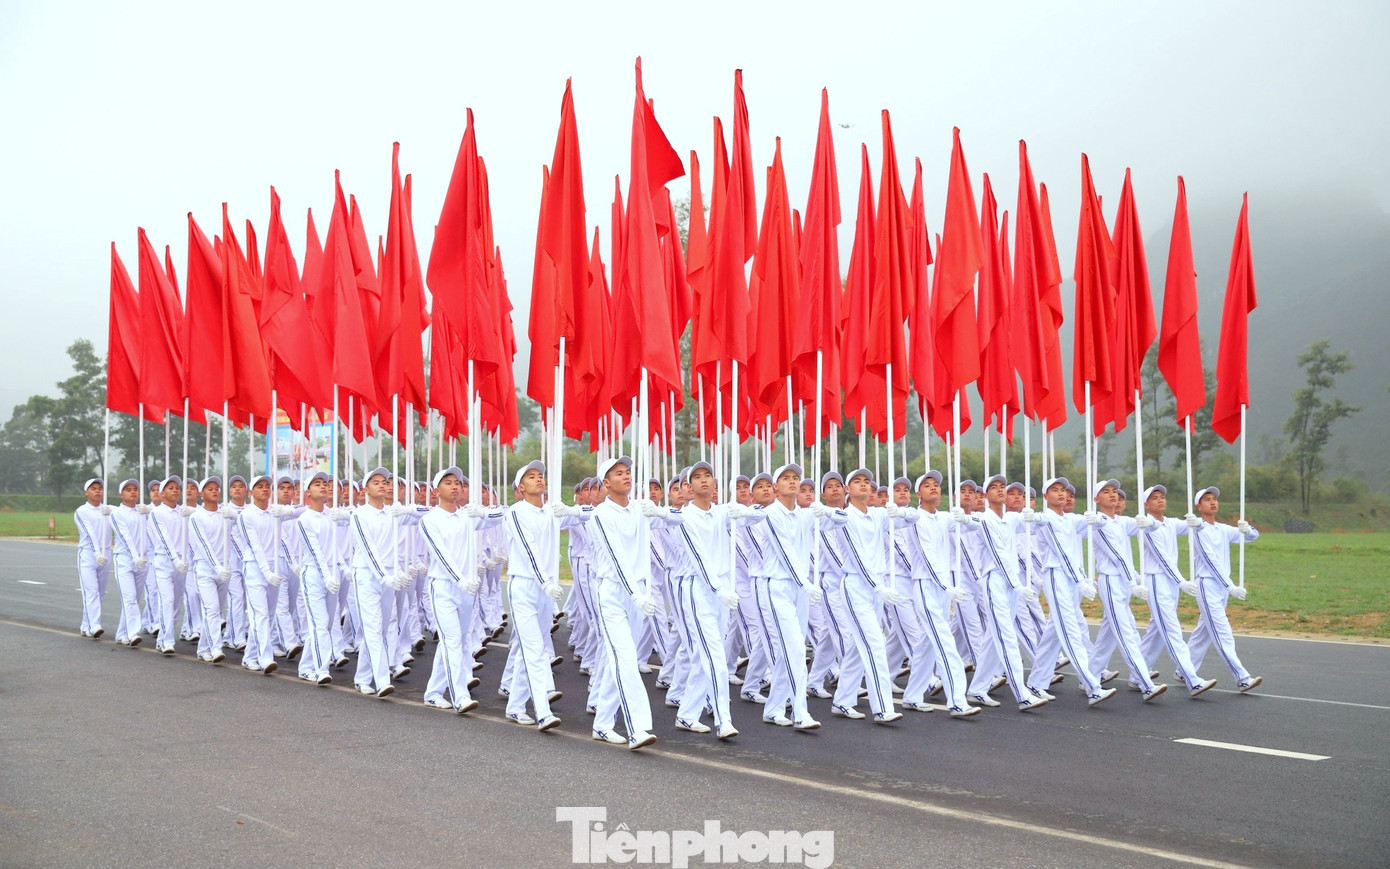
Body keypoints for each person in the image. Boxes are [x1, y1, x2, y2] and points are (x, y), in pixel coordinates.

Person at [659, 461, 752, 738]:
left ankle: (687, 714)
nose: (703, 480)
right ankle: (724, 719)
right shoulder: (684, 517)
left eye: (707, 476)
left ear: (715, 483)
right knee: (714, 654)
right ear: (687, 486)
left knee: (705, 656)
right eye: (696, 477)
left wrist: (745, 510)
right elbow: (698, 557)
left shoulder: (722, 513)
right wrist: (717, 588)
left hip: (720, 591)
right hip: (697, 589)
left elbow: (758, 515)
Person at [498, 460, 587, 730]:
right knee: (536, 650)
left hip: (545, 590)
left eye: (540, 475)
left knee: (530, 649)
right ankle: (543, 711)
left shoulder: (551, 511)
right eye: (531, 476)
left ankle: (515, 706)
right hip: (525, 585)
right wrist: (546, 580)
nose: (538, 479)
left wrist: (569, 509)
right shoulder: (516, 512)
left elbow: (590, 515)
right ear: (520, 487)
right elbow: (528, 548)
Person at [955, 475, 1050, 712]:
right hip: (995, 581)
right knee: (1006, 637)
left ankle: (977, 689)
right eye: (994, 488)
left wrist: (1034, 516)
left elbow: (1037, 524)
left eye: (1003, 488)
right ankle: (1022, 693)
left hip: (1012, 583)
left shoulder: (1011, 519)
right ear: (985, 496)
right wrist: (962, 518)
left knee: (991, 639)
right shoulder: (983, 519)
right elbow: (987, 543)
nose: (1000, 491)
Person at [587, 456, 660, 749]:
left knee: (615, 660)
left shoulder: (639, 511)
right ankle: (638, 728)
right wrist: (636, 593)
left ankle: (603, 724)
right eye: (619, 473)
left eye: (628, 472)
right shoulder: (601, 516)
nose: (626, 476)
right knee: (627, 659)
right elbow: (617, 557)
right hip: (615, 593)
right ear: (606, 483)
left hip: (637, 594)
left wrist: (659, 512)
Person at [420, 466, 505, 716]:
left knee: (456, 642)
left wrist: (485, 511)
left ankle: (433, 693)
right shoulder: (429, 520)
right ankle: (460, 696)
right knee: (452, 642)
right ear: (437, 490)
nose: (455, 486)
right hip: (444, 587)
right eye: (448, 482)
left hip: (467, 589)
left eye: (458, 482)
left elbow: (505, 515)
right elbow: (441, 555)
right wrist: (459, 580)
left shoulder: (467, 517)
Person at [1022, 478, 1114, 706]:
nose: (1061, 494)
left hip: (1073, 580)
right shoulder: (1045, 519)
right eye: (1055, 490)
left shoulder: (1071, 519)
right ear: (1046, 496)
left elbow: (1096, 524)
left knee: (1054, 632)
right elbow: (1061, 552)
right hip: (1057, 577)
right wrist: (1082, 579)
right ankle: (1092, 686)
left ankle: (1036, 682)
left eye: (1064, 490)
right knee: (1070, 631)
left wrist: (1097, 517)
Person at [896, 471, 980, 717]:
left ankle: (912, 695)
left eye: (937, 485)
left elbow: (974, 527)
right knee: (945, 643)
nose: (933, 488)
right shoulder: (916, 519)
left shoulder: (943, 518)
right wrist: (946, 585)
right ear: (918, 494)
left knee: (925, 645)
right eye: (927, 485)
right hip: (926, 586)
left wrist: (963, 516)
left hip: (943, 589)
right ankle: (957, 700)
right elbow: (927, 556)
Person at [830, 468, 908, 723]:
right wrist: (878, 586)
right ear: (847, 490)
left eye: (867, 482)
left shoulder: (877, 515)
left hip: (875, 589)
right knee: (875, 645)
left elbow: (912, 519)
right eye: (856, 481)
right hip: (856, 587)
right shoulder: (844, 517)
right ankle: (883, 707)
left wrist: (902, 511)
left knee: (856, 646)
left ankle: (842, 700)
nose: (863, 485)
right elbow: (857, 557)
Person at [1084, 480, 1166, 701]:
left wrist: (1148, 521)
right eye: (1106, 492)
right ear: (1096, 499)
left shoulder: (1121, 522)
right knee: (1126, 632)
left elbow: (1153, 526)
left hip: (1124, 583)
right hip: (1111, 581)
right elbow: (1117, 556)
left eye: (1115, 492)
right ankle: (1144, 682)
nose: (1113, 495)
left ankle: (1089, 677)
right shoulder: (1098, 523)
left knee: (1107, 635)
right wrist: (1133, 582)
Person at [1136, 485, 1216, 696]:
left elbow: (1192, 527)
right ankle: (1191, 678)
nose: (1160, 500)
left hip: (1171, 583)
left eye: (1162, 497)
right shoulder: (1147, 526)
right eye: (1154, 498)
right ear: (1146, 504)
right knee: (1171, 630)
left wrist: (1196, 521)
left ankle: (1138, 674)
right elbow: (1162, 559)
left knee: (1156, 630)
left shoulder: (1170, 523)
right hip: (1157, 579)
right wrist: (1181, 581)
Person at [349, 468, 423, 698]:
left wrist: (409, 508)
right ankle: (382, 680)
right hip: (368, 575)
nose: (383, 485)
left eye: (385, 482)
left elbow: (427, 513)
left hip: (389, 576)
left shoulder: (393, 512)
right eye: (376, 482)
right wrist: (384, 576)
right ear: (365, 489)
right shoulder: (360, 515)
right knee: (372, 628)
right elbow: (368, 550)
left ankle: (362, 678)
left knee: (380, 629)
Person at [1186, 487, 1263, 692]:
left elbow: (1251, 538)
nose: (1212, 502)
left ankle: (1184, 669)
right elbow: (1210, 562)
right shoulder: (1198, 530)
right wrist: (1231, 587)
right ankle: (1242, 677)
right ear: (1198, 506)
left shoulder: (1222, 529)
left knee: (1203, 631)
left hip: (1221, 587)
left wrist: (1248, 529)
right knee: (1222, 632)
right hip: (1208, 584)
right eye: (1207, 500)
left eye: (1214, 499)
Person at [295, 471, 342, 686]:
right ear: (307, 492)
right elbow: (315, 551)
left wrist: (343, 567)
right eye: (317, 484)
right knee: (320, 623)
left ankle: (305, 667)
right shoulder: (304, 519)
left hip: (332, 573)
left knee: (326, 623)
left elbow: (335, 547)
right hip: (314, 574)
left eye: (325, 483)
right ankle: (321, 669)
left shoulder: (330, 514)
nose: (323, 486)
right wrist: (326, 575)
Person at [236, 475, 282, 675]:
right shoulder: (246, 515)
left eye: (268, 486)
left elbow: (301, 510)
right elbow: (255, 547)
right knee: (260, 615)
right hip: (255, 568)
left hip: (275, 568)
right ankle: (266, 658)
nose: (265, 489)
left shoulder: (275, 512)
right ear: (251, 492)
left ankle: (249, 656)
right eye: (260, 487)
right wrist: (266, 572)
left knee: (268, 616)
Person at [187, 476, 229, 663]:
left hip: (224, 571)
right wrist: (216, 566)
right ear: (201, 494)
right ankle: (216, 648)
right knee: (211, 610)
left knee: (215, 611)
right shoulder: (197, 516)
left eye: (217, 488)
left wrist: (233, 515)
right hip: (205, 570)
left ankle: (203, 648)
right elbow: (203, 544)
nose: (214, 491)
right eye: (209, 488)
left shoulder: (225, 514)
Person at [148, 476, 192, 654]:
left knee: (176, 603)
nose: (175, 490)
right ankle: (167, 641)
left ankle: (164, 638)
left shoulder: (185, 512)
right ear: (162, 493)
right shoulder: (156, 513)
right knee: (167, 601)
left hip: (183, 562)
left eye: (177, 488)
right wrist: (175, 560)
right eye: (171, 487)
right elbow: (163, 539)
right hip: (165, 562)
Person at [108, 479, 148, 646]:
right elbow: (124, 536)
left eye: (135, 489)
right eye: (128, 490)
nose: (133, 492)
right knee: (129, 598)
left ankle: (122, 633)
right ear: (121, 494)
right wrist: (134, 555)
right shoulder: (117, 513)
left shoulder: (143, 511)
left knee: (133, 600)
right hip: (125, 559)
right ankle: (133, 633)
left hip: (142, 561)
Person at [74, 479, 112, 639]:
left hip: (106, 553)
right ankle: (95, 625)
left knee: (100, 592)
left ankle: (86, 625)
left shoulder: (108, 510)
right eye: (93, 488)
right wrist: (97, 553)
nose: (97, 491)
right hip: (89, 554)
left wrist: (147, 508)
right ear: (86, 492)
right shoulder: (81, 511)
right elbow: (88, 533)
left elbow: (129, 511)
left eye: (100, 488)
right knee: (91, 591)